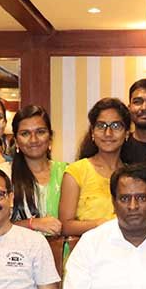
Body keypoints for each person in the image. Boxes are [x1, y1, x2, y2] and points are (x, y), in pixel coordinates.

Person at [59, 98, 128, 235]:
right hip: (87, 246)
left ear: (127, 133)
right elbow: (65, 226)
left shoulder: (132, 174)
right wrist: (99, 225)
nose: (108, 133)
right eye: (101, 126)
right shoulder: (76, 172)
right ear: (92, 133)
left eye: (116, 126)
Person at [9, 105, 66, 235]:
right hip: (19, 246)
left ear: (50, 137)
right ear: (16, 141)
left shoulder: (67, 172)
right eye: (25, 134)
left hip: (64, 247)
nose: (33, 140)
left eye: (40, 132)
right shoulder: (3, 175)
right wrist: (32, 223)